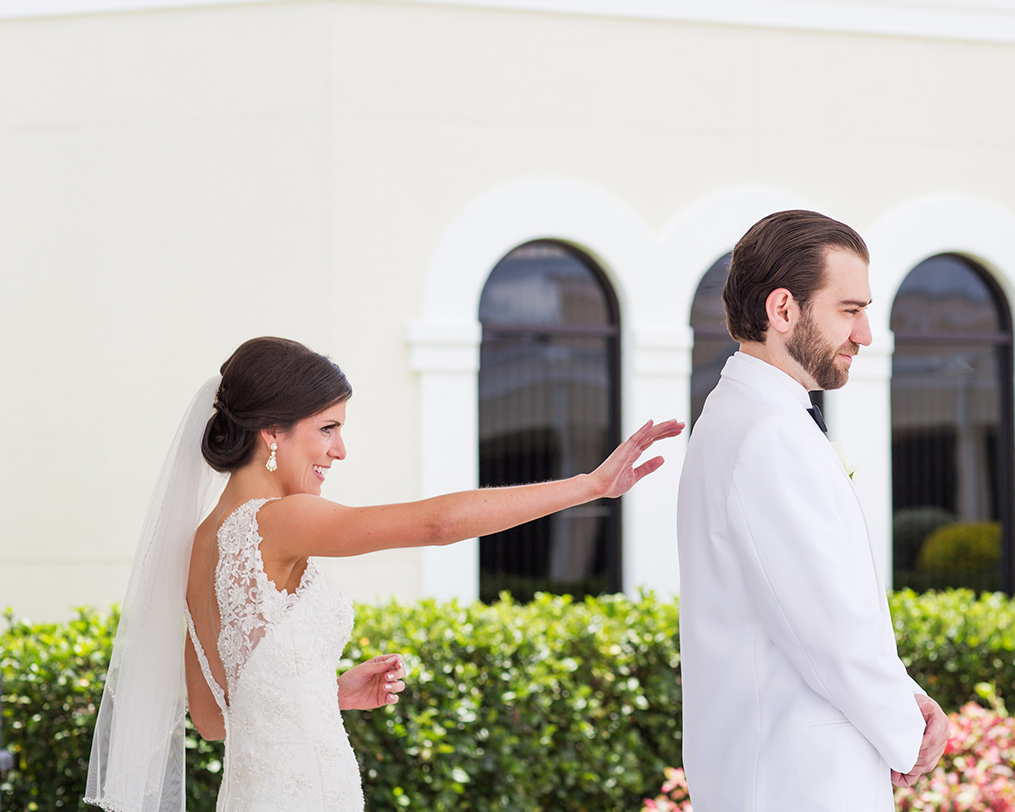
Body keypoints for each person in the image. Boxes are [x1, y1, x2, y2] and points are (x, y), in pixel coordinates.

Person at [85, 336, 683, 812]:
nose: (339, 451)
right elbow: (435, 525)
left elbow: (215, 721)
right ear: (271, 433)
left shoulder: (199, 544)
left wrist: (323, 694)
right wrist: (589, 486)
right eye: (327, 428)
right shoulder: (277, 520)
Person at [676, 210, 950, 810]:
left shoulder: (749, 419)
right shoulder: (765, 435)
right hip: (795, 783)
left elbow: (821, 611)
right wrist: (910, 732)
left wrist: (905, 696)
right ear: (783, 310)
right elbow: (826, 629)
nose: (866, 333)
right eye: (849, 310)